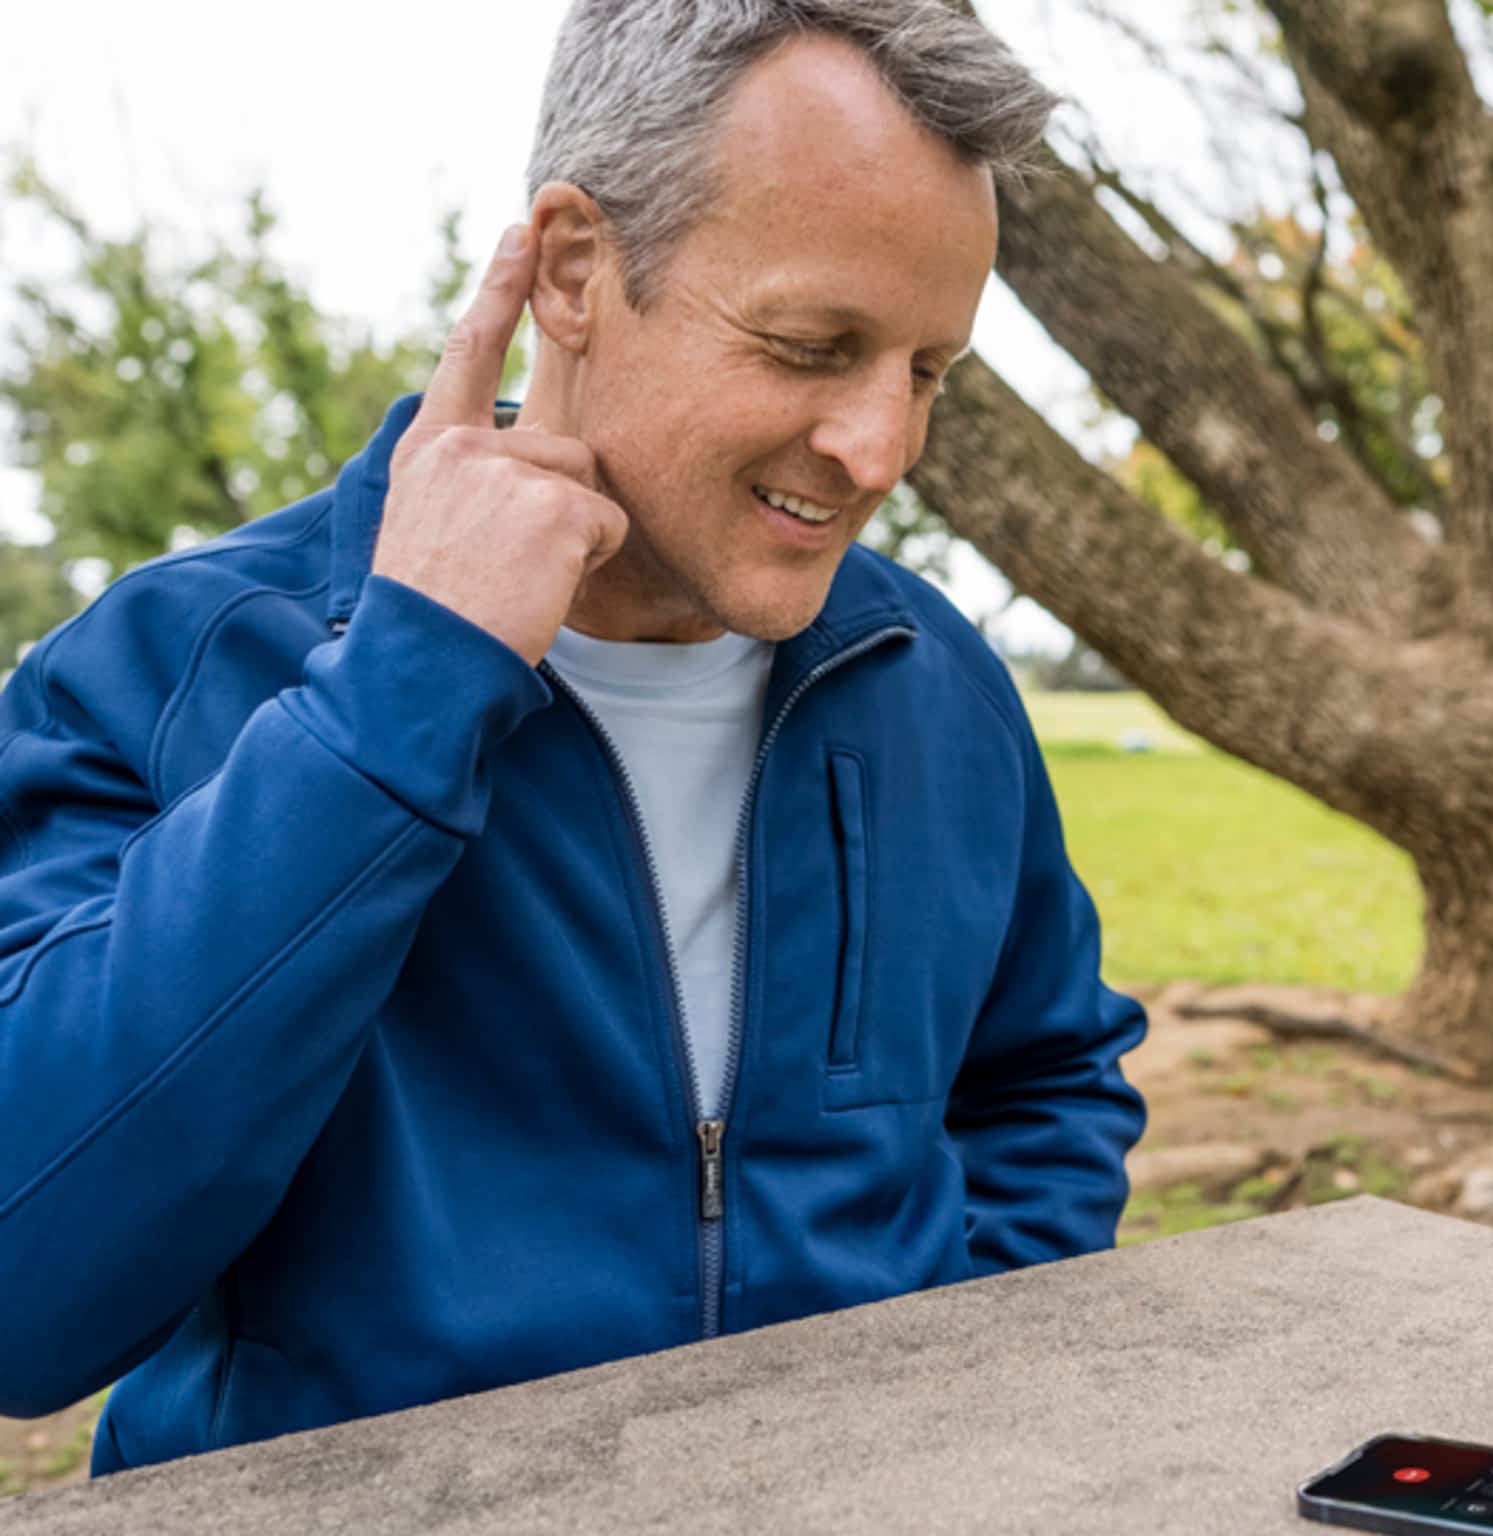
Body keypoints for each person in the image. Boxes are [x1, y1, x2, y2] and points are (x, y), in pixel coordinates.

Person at [0, 0, 1147, 1474]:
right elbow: (27, 1297)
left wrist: (956, 1387)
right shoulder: (174, 665)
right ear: (577, 271)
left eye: (928, 372)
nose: (882, 451)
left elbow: (1043, 1080)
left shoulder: (930, 673)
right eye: (812, 346)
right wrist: (400, 698)